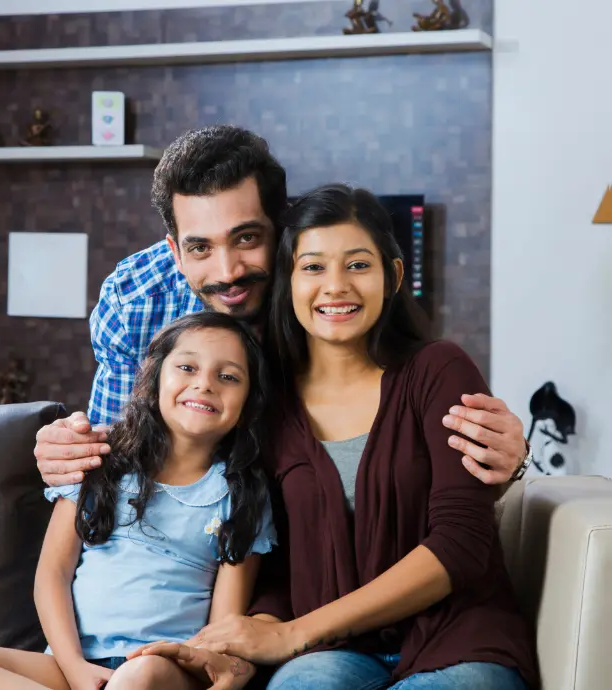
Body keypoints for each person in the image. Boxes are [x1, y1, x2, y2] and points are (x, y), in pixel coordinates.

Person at [133, 186, 539, 689]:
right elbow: (272, 557)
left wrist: (292, 634)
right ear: (288, 282)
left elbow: (461, 543)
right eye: (313, 267)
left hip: (457, 639)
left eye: (358, 265)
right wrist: (249, 639)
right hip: (331, 653)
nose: (336, 286)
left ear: (392, 276)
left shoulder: (439, 371)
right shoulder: (262, 398)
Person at [34, 126, 531, 493]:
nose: (228, 271)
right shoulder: (135, 300)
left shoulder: (329, 292)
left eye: (247, 238)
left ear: (284, 224)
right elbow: (115, 451)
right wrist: (69, 454)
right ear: (174, 250)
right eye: (200, 247)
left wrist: (510, 456)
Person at [0, 313, 276, 690]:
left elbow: (222, 628)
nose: (205, 384)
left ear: (248, 403)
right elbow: (52, 575)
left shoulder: (242, 496)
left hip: (161, 668)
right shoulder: (98, 463)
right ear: (155, 378)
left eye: (228, 376)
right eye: (187, 367)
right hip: (73, 666)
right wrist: (75, 667)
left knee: (139, 675)